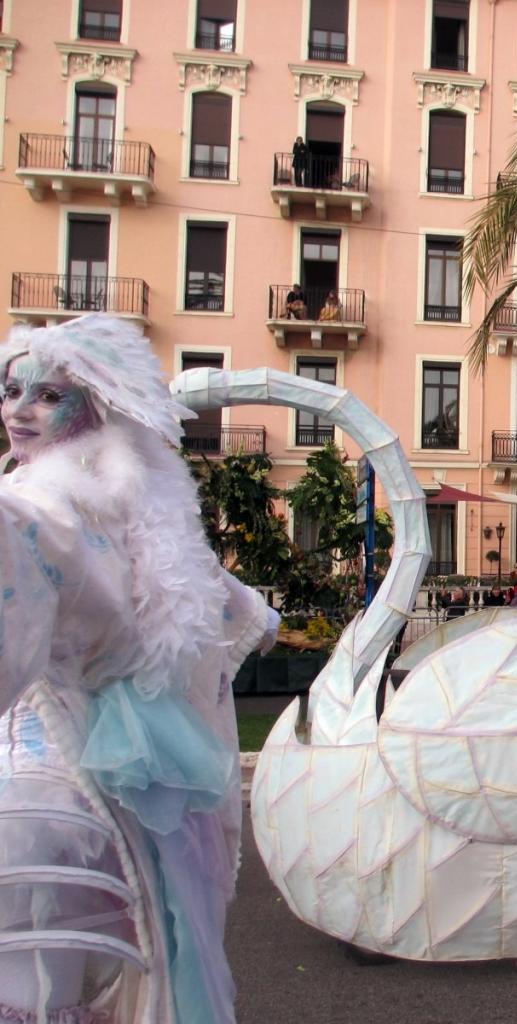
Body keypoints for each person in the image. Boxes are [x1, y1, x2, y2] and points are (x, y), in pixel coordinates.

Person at [0, 316, 276, 1023]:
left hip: (57, 772)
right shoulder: (134, 496)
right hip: (120, 777)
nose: (19, 411)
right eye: (9, 391)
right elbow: (215, 595)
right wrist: (263, 622)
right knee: (132, 938)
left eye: (46, 394)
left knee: (43, 966)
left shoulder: (56, 500)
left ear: (91, 403)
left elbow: (37, 543)